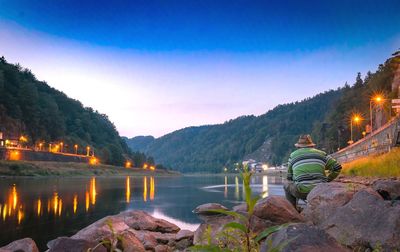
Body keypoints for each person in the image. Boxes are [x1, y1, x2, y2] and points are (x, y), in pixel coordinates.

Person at [284, 134, 342, 208]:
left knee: (286, 183)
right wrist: (328, 180)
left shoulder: (293, 155)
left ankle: (293, 210)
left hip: (302, 192)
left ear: (298, 146)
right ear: (311, 145)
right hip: (320, 190)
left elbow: (289, 177)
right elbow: (337, 167)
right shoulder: (322, 154)